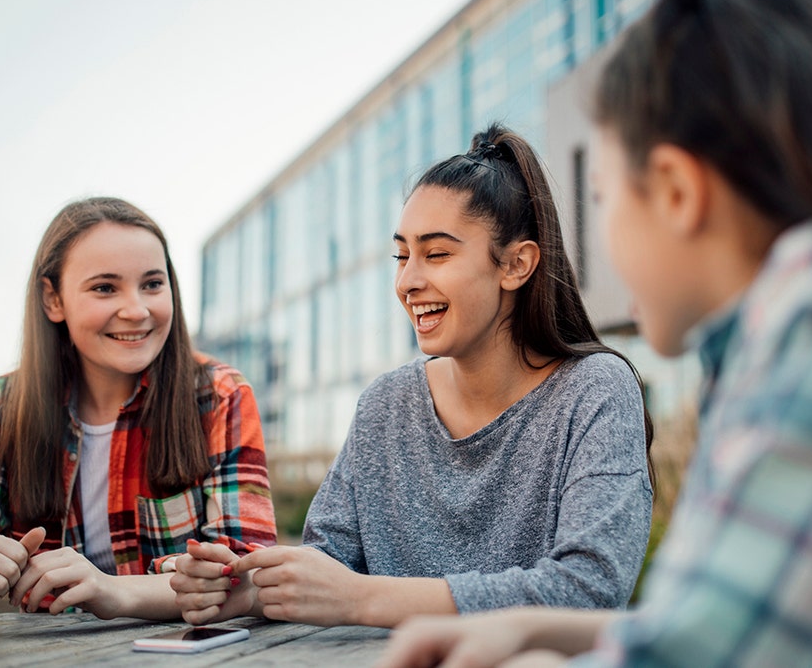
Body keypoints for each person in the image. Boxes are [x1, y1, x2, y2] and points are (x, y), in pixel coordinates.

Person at [378, 0, 812, 665]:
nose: (602, 238)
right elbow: (717, 616)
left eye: (602, 196)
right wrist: (528, 630)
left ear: (677, 192)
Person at [170, 124, 654, 629]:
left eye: (437, 254)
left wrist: (362, 599)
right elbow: (328, 566)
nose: (407, 282)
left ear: (516, 264)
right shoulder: (386, 403)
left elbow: (587, 590)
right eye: (402, 256)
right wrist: (250, 587)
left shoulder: (596, 389)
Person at [0, 196, 277, 620]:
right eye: (105, 287)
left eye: (153, 284)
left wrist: (114, 591)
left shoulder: (220, 396)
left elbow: (248, 576)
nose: (136, 310)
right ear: (53, 300)